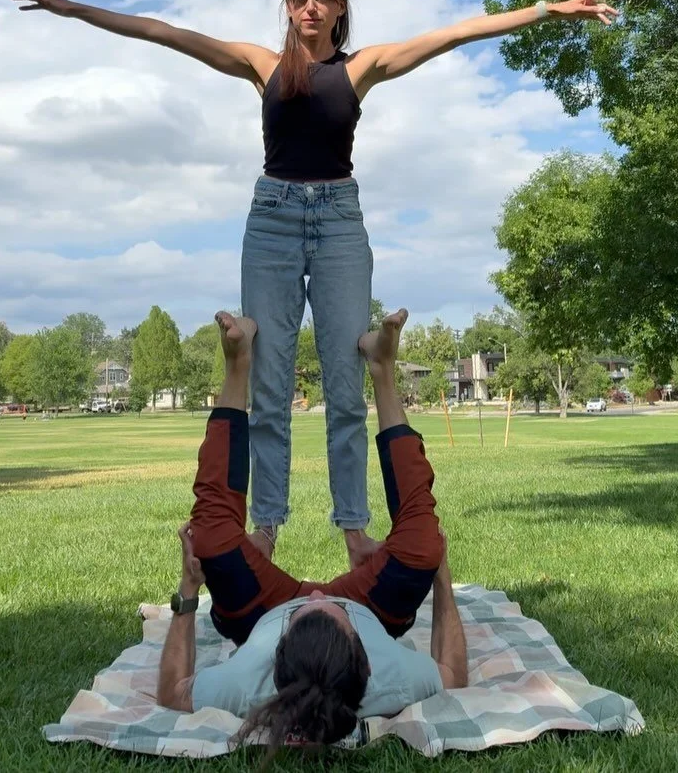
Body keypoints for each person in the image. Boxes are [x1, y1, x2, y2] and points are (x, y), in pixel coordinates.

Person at [6, 0, 620, 563]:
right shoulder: (262, 65)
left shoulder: (363, 69)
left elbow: (455, 33)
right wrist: (73, 9)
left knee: (348, 388)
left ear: (339, 5)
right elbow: (166, 34)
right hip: (271, 221)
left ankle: (355, 531)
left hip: (339, 225)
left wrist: (550, 11)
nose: (310, 6)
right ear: (288, 3)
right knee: (267, 387)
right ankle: (266, 527)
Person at [157, 309, 467, 753]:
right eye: (328, 609)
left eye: (306, 611)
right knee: (424, 543)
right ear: (364, 653)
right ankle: (382, 371)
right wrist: (442, 579)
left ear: (275, 653)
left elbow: (172, 693)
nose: (317, 595)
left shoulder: (248, 683)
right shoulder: (392, 678)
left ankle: (238, 365)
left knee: (206, 539)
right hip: (369, 606)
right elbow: (453, 676)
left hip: (262, 611)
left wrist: (188, 593)